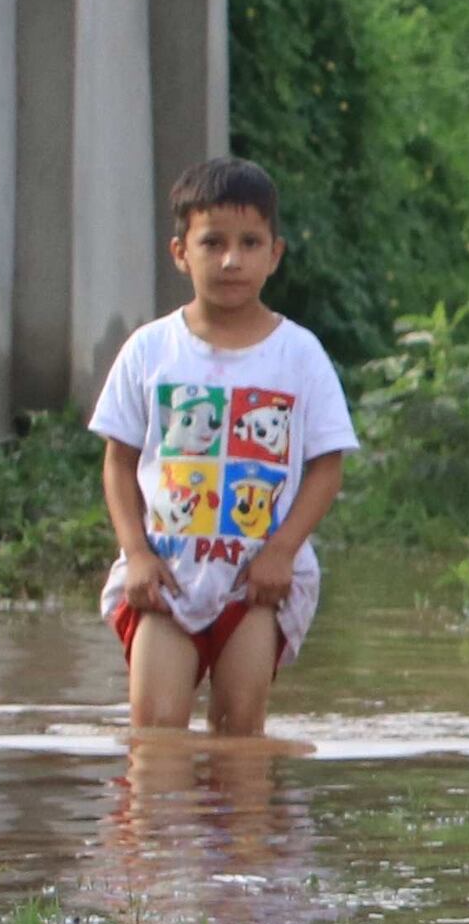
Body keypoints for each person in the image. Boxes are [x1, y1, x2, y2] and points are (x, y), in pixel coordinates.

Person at [93, 159, 357, 740]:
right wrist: (136, 553)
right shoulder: (150, 349)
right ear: (181, 252)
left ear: (275, 253)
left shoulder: (299, 355)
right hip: (167, 581)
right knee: (155, 736)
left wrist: (282, 552)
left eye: (249, 243)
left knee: (240, 736)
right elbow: (118, 460)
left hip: (255, 584)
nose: (232, 260)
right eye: (213, 242)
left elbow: (327, 466)